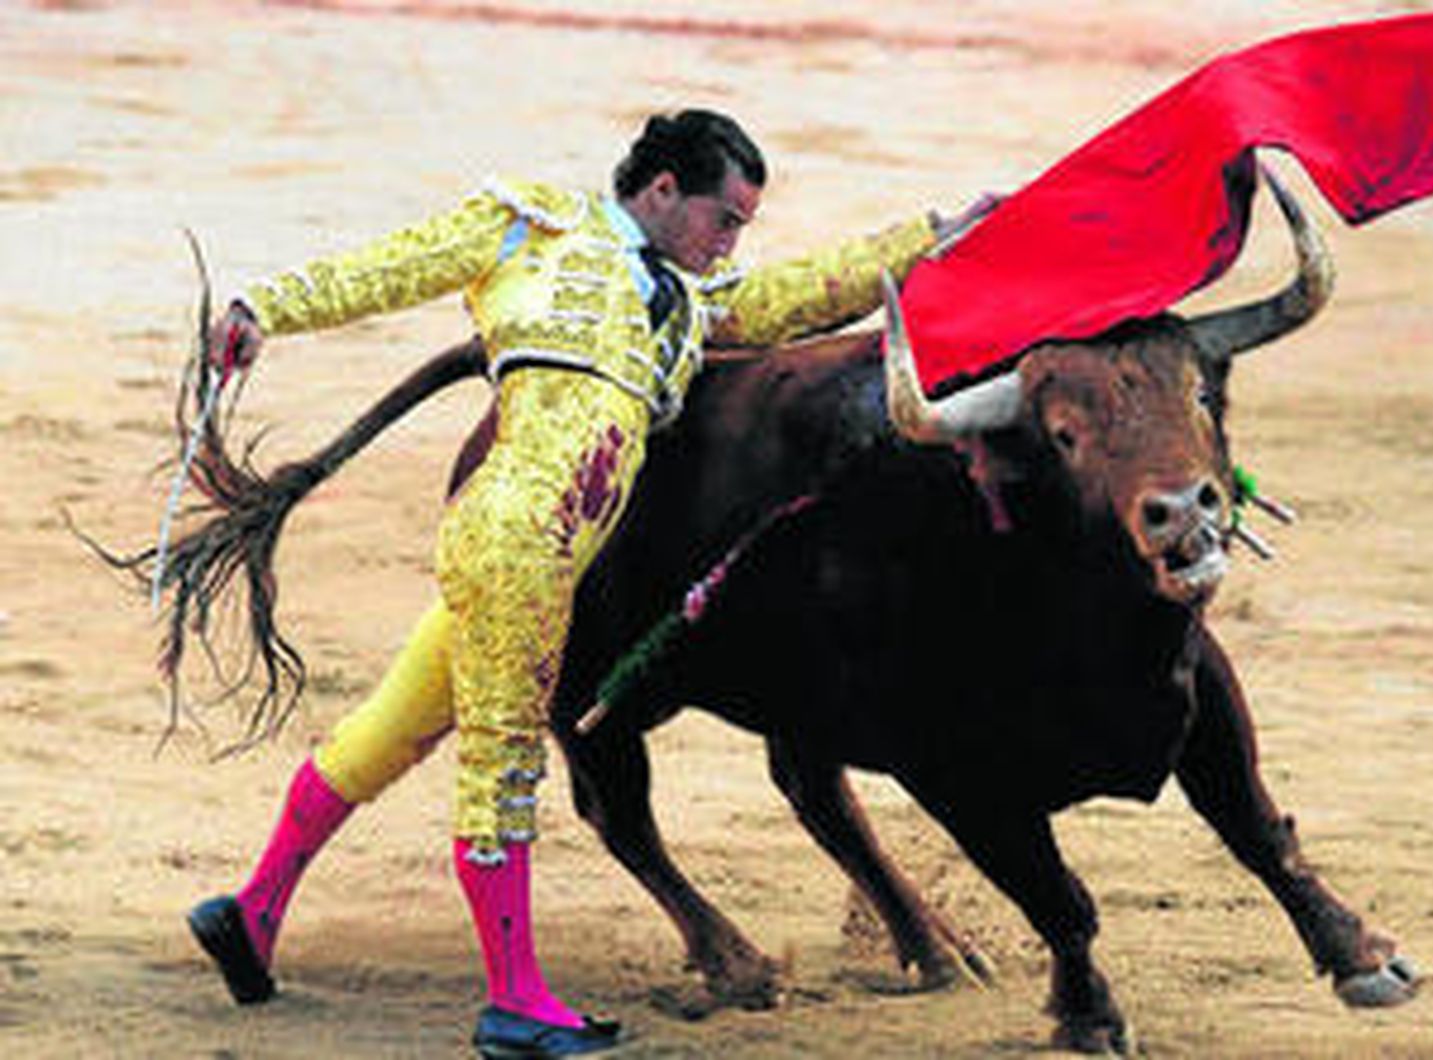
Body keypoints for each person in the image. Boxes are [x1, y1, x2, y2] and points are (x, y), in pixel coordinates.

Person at [183, 108, 993, 1059]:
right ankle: (515, 1003)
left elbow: (797, 297)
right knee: (502, 768)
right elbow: (392, 265)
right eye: (723, 219)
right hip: (519, 540)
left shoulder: (692, 301)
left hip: (547, 553)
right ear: (660, 192)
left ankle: (250, 911)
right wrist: (260, 310)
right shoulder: (532, 224)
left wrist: (931, 238)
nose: (730, 241)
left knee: (390, 728)